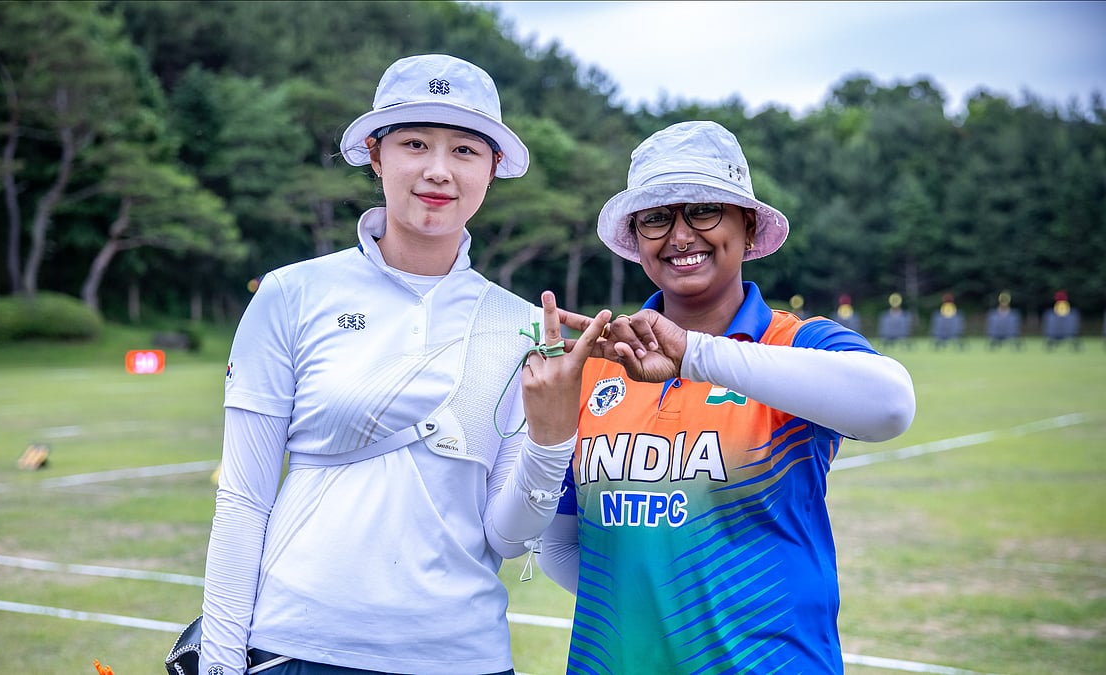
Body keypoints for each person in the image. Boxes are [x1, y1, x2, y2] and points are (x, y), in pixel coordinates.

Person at [198, 53, 609, 675]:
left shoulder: (522, 323)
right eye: (416, 143)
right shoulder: (291, 293)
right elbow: (243, 500)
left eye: (466, 151)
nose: (439, 171)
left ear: (494, 169)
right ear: (375, 154)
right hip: (300, 648)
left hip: (463, 655)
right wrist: (220, 666)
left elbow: (507, 538)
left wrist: (552, 441)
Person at [538, 121, 916, 674]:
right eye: (657, 217)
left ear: (746, 225)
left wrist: (695, 353)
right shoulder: (602, 365)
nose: (680, 235)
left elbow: (891, 406)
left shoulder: (798, 343)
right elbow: (561, 546)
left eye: (704, 211)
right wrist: (663, 610)